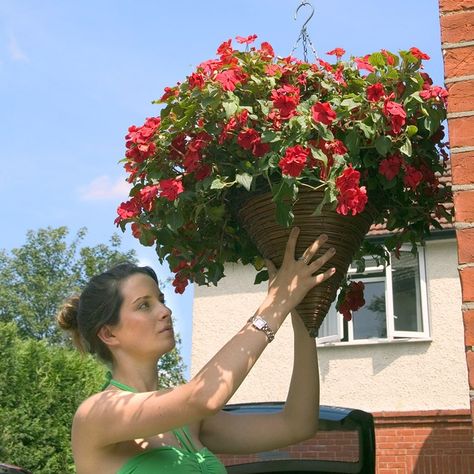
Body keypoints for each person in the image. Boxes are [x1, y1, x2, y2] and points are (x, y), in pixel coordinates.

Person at [57, 227, 336, 474]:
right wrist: (275, 305)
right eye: (144, 305)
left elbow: (297, 424)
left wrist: (300, 311)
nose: (165, 311)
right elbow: (204, 397)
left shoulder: (190, 422)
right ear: (109, 333)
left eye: (161, 300)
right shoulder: (96, 414)